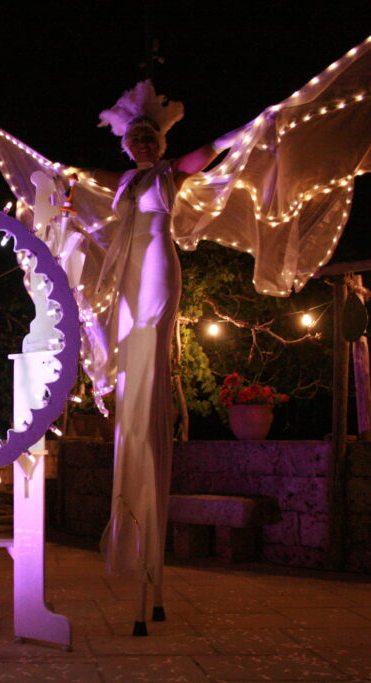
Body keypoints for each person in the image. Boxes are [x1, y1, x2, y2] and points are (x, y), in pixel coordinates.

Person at [89, 81, 229, 635]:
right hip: (124, 268)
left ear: (159, 139)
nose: (143, 143)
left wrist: (244, 129)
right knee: (125, 355)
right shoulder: (121, 179)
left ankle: (147, 409)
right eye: (136, 137)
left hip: (155, 263)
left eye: (150, 135)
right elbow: (76, 183)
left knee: (148, 346)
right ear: (126, 144)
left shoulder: (168, 175)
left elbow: (207, 152)